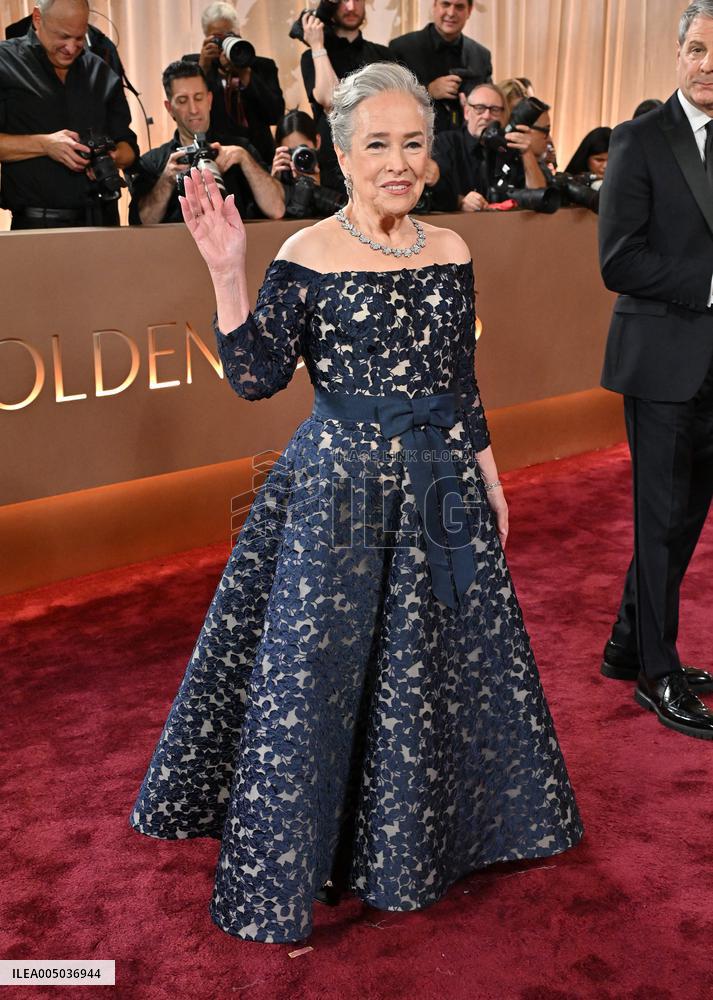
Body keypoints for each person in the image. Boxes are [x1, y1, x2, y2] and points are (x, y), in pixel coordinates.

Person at [129, 62, 583, 943]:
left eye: (413, 143)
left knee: (431, 666)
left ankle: (418, 841)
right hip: (336, 489)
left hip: (439, 479)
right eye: (376, 144)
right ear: (341, 154)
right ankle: (316, 852)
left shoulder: (451, 249)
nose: (398, 161)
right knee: (320, 680)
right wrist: (228, 268)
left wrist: (486, 475)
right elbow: (257, 378)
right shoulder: (306, 255)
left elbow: (458, 379)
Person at [598, 0, 713, 738]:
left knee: (684, 521)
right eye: (698, 50)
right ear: (677, 53)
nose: (708, 66)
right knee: (660, 519)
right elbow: (618, 259)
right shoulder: (638, 139)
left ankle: (625, 644)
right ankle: (655, 672)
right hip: (662, 362)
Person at [0, 0, 138, 229]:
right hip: (37, 229)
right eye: (62, 37)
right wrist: (45, 144)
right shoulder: (5, 63)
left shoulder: (100, 70)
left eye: (79, 37)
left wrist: (111, 157)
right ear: (37, 18)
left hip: (103, 223)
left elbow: (129, 149)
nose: (72, 48)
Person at [128, 61, 283, 226]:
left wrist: (245, 160)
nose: (193, 109)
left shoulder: (240, 149)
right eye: (182, 101)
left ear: (209, 100)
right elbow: (139, 225)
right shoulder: (153, 162)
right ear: (169, 108)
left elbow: (277, 209)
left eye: (198, 98)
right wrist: (166, 182)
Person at [298, 0, 395, 195]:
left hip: (377, 160)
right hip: (332, 164)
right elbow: (331, 100)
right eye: (343, 1)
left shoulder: (383, 54)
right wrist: (317, 45)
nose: (351, 7)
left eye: (357, 0)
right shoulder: (312, 56)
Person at [183, 1, 284, 165]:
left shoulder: (262, 66)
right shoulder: (194, 64)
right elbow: (188, 113)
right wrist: (203, 67)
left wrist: (246, 73)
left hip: (259, 156)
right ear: (206, 37)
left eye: (229, 35)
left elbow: (275, 115)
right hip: (214, 155)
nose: (224, 43)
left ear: (239, 33)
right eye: (217, 38)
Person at [428, 82, 549, 211]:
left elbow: (539, 199)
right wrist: (460, 201)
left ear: (504, 116)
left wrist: (527, 153)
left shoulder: (510, 148)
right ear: (467, 112)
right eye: (479, 108)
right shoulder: (446, 143)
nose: (486, 116)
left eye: (495, 110)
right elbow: (433, 189)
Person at [389, 0, 492, 135]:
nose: (451, 13)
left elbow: (489, 103)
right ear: (434, 5)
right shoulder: (402, 48)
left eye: (459, 7)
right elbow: (389, 101)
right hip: (417, 143)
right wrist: (428, 91)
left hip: (467, 149)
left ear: (470, 11)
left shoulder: (481, 55)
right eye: (446, 4)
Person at [270, 109, 345, 219]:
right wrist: (273, 183)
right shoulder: (279, 175)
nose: (298, 157)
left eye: (303, 149)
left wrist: (317, 187)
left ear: (317, 141)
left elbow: (349, 213)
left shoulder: (335, 174)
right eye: (291, 152)